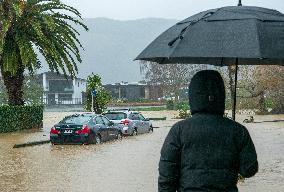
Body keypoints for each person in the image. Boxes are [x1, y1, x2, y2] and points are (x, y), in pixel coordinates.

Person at [158, 70, 258, 192]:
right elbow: (249, 169)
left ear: (193, 96)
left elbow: (166, 176)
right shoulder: (238, 131)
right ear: (221, 96)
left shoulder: (178, 130)